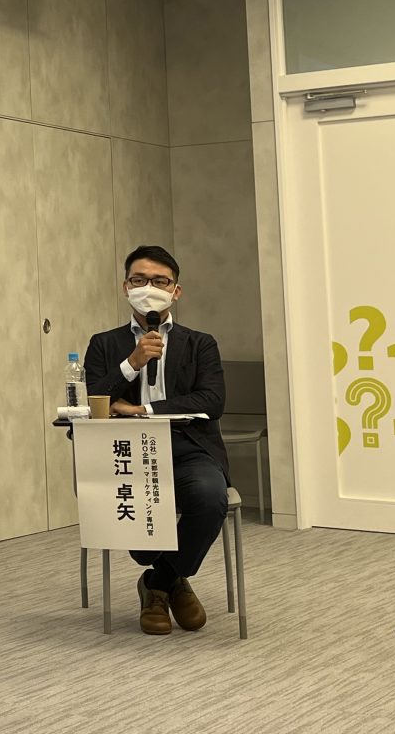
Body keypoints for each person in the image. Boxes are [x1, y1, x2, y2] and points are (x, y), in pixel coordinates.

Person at [83, 244, 229, 636]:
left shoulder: (200, 343)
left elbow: (211, 401)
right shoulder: (104, 344)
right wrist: (132, 363)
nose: (149, 287)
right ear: (125, 287)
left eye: (160, 281)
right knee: (142, 541)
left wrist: (143, 408)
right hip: (127, 452)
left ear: (175, 291)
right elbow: (94, 399)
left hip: (189, 447)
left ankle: (159, 582)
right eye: (139, 279)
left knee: (210, 498)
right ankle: (173, 580)